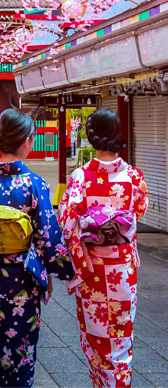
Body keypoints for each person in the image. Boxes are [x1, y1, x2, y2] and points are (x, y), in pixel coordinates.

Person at [0, 108, 74, 387]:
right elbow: (48, 235)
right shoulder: (33, 184)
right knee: (21, 350)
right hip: (21, 278)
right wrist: (64, 272)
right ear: (26, 141)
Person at [58, 108, 148, 388]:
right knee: (121, 340)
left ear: (91, 136)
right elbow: (140, 211)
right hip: (122, 271)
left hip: (93, 271)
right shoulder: (134, 177)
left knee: (96, 341)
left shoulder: (80, 178)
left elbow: (66, 222)